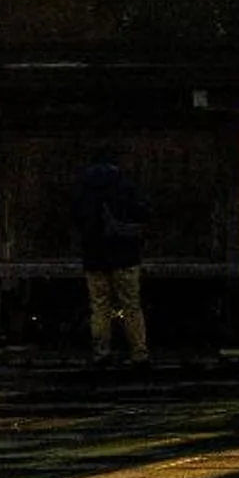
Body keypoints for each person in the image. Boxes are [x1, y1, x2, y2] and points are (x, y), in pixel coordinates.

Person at [72, 145, 150, 364]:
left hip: (94, 255)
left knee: (99, 306)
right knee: (131, 305)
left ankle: (101, 352)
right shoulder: (125, 184)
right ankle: (138, 352)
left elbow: (76, 217)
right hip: (125, 254)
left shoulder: (83, 186)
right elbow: (141, 212)